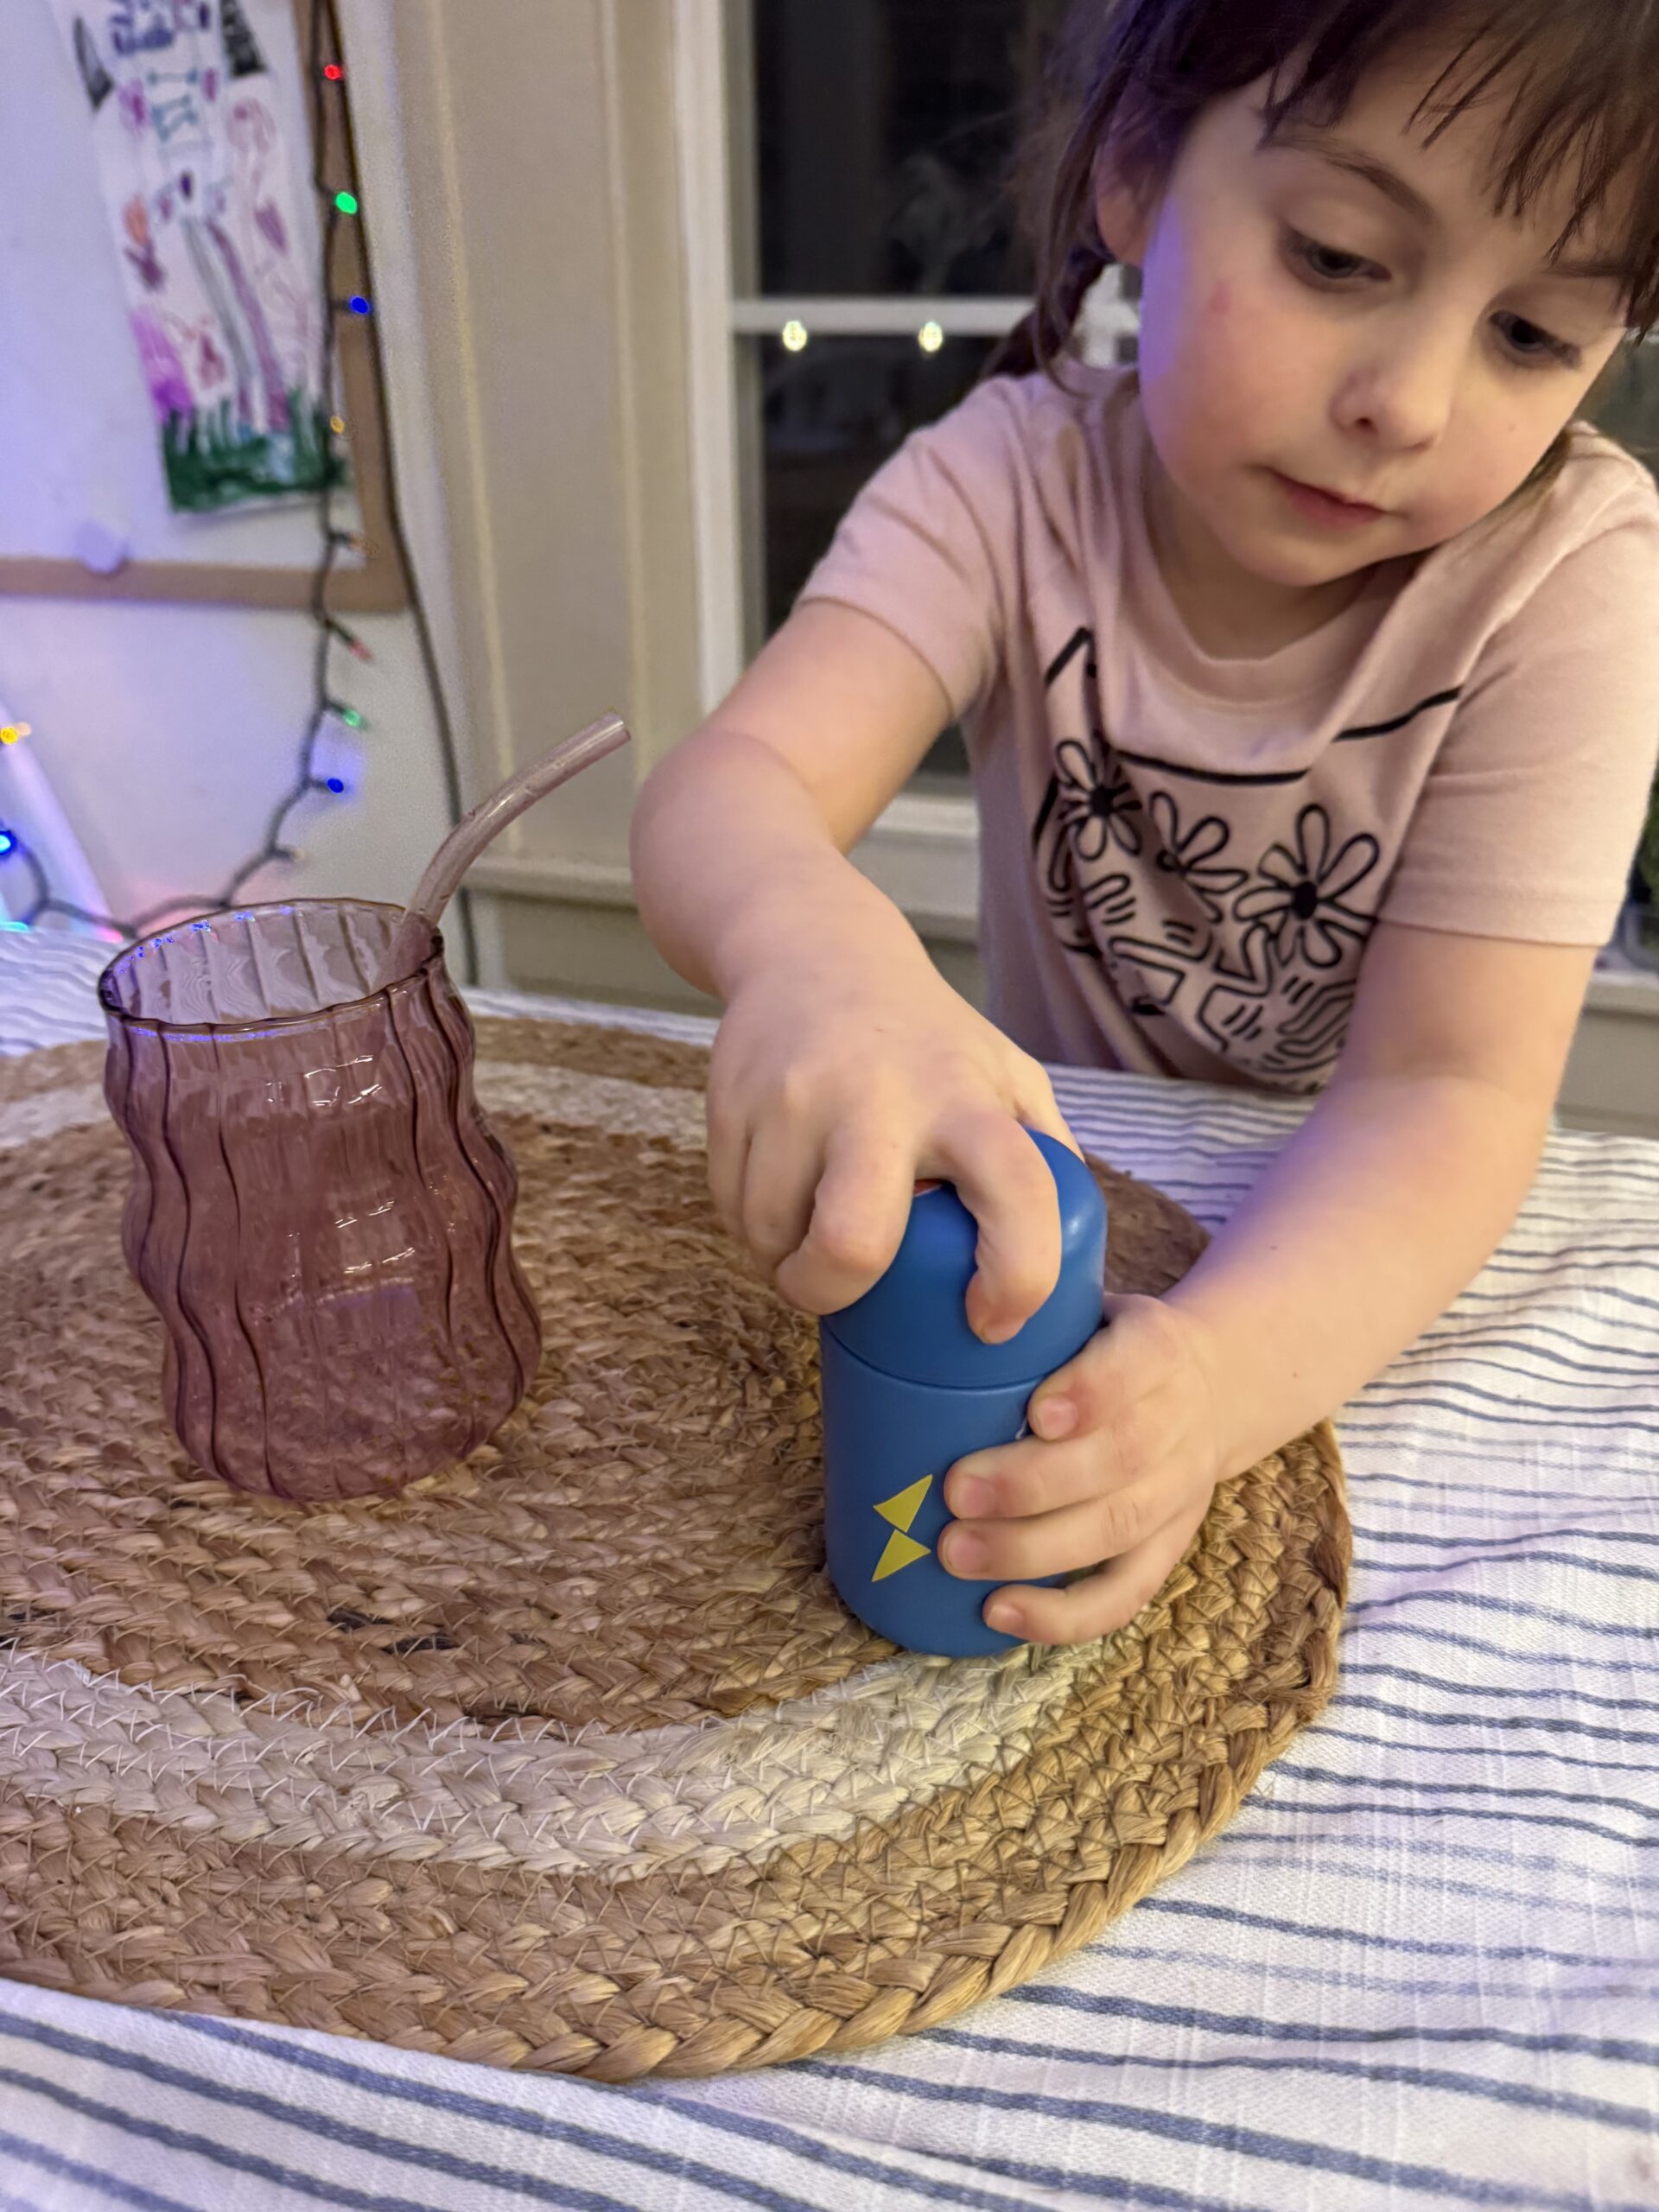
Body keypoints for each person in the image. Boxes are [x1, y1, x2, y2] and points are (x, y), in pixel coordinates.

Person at [631, 0, 1659, 1647]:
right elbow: (726, 792)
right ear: (1132, 171)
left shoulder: (1569, 580)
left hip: (1311, 1225)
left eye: (1534, 337)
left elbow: (1449, 1088)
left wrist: (1215, 1380)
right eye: (1337, 255)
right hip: (1029, 1192)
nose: (1409, 399)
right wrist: (814, 953)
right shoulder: (1003, 485)